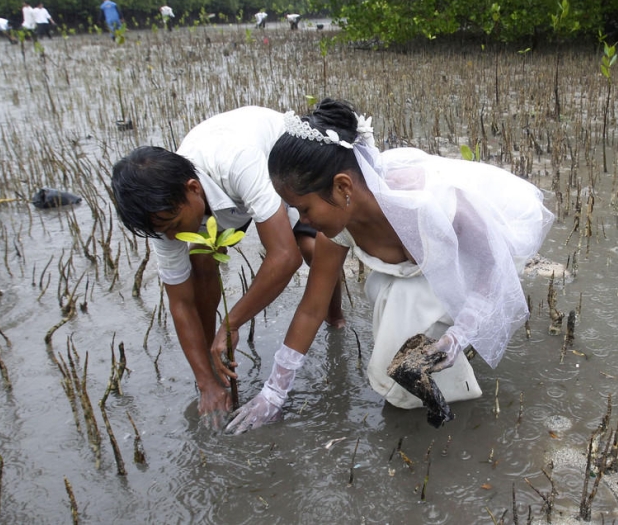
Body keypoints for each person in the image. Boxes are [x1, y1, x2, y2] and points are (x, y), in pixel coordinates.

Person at [224, 99, 555, 434]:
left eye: (304, 209)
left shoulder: (429, 204)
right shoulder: (335, 232)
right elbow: (312, 309)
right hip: (425, 273)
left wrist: (459, 336)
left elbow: (493, 268)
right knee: (390, 298)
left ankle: (456, 386)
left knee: (407, 300)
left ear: (342, 187)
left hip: (479, 260)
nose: (302, 221)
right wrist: (274, 392)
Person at [110, 106, 345, 425]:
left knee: (310, 248)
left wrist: (231, 323)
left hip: (279, 164)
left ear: (193, 189)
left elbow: (284, 257)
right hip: (224, 197)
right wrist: (206, 382)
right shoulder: (162, 217)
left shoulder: (237, 161)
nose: (172, 237)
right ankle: (214, 360)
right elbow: (180, 303)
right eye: (163, 231)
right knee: (200, 259)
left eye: (174, 225)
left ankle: (335, 317)